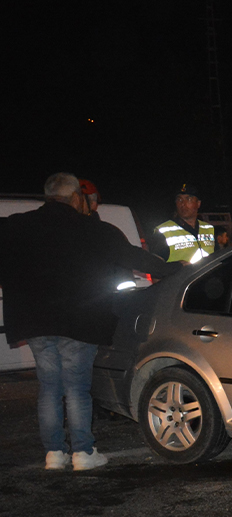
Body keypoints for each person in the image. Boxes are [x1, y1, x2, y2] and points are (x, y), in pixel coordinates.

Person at [0, 173, 179, 471]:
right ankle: (83, 453)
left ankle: (54, 453)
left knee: (49, 387)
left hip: (36, 323)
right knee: (76, 388)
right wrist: (175, 269)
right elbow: (135, 258)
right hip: (80, 323)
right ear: (75, 197)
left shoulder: (16, 226)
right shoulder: (95, 230)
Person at [150, 182, 215, 263]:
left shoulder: (209, 229)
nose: (183, 204)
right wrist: (178, 266)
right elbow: (155, 265)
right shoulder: (164, 231)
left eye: (189, 199)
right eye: (179, 200)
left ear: (198, 203)